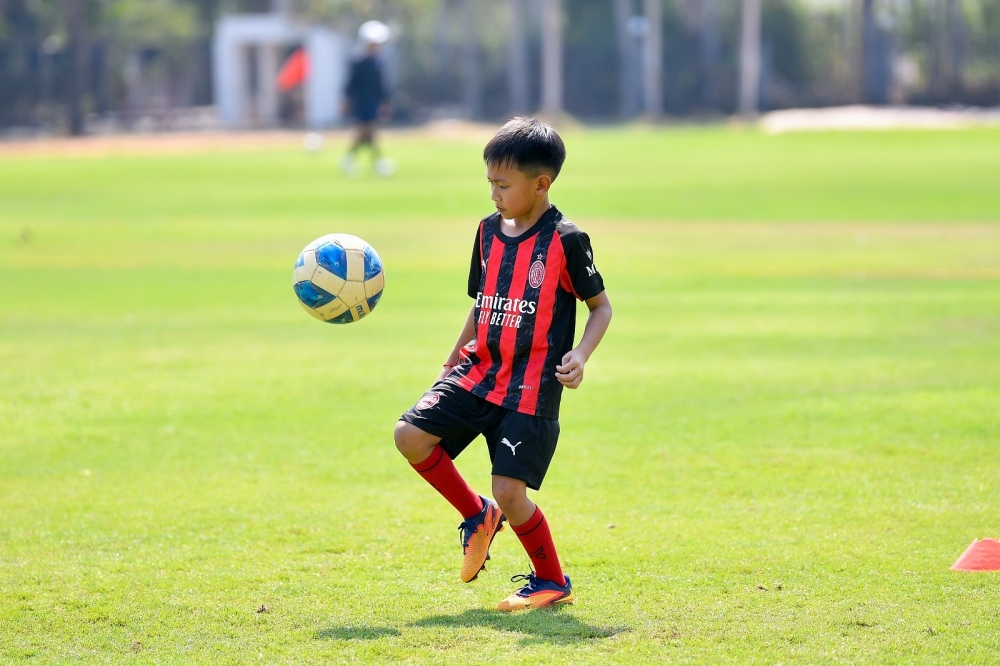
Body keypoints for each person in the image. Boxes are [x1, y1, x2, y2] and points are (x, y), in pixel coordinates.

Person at [394, 117, 613, 611]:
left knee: (511, 492)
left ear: (541, 184)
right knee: (409, 435)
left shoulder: (566, 240)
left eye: (503, 184)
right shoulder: (487, 232)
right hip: (478, 372)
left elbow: (601, 307)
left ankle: (551, 580)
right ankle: (478, 515)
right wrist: (450, 360)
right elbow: (482, 302)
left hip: (530, 388)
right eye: (490, 182)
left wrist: (580, 355)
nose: (494, 193)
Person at [342, 20, 393, 177]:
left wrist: (385, 101)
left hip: (372, 103)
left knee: (367, 134)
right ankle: (376, 161)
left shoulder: (378, 63)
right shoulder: (359, 62)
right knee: (368, 132)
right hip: (361, 103)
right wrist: (346, 101)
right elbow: (350, 84)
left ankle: (352, 159)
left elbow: (381, 86)